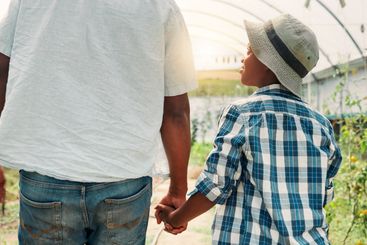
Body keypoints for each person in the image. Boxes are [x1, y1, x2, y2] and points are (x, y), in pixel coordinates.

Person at [0, 0, 196, 244]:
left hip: (47, 173)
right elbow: (176, 111)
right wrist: (178, 190)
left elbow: (2, 71)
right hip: (125, 177)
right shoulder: (160, 6)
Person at [156, 14, 342, 244]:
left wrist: (176, 218)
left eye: (250, 51)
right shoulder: (321, 125)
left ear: (268, 63)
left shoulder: (243, 114)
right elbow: (323, 193)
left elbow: (215, 185)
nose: (243, 59)